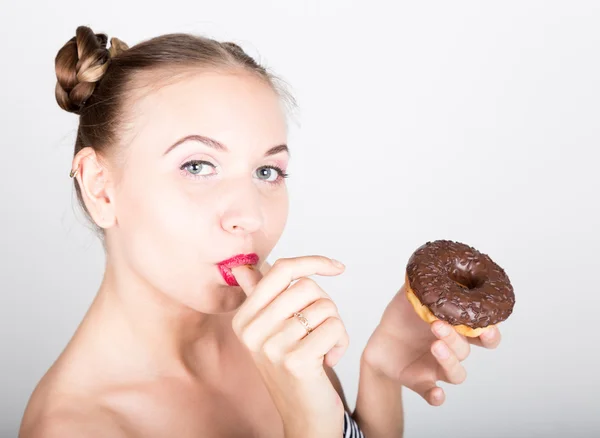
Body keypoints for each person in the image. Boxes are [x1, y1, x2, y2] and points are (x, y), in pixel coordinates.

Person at [19, 26, 502, 438]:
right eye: (197, 165)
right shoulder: (77, 425)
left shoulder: (268, 327)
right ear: (101, 188)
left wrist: (378, 374)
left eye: (267, 172)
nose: (249, 215)